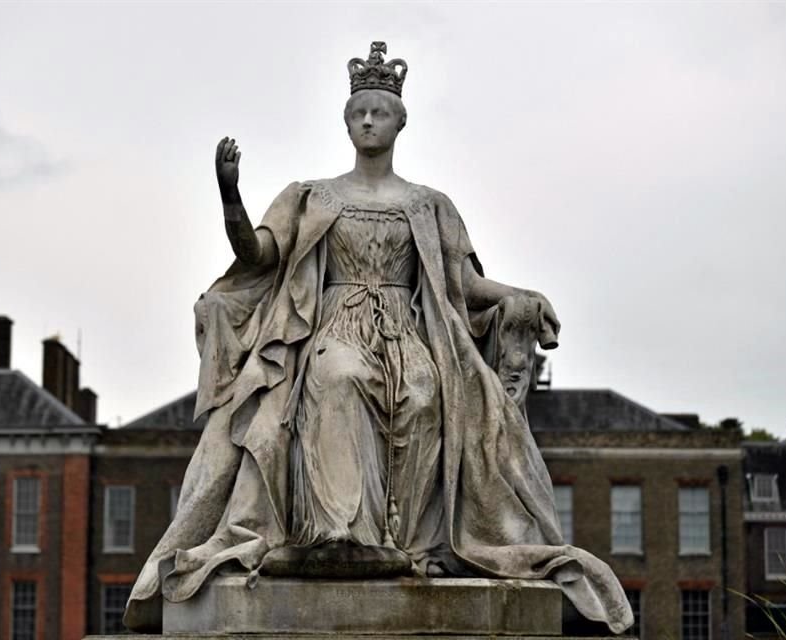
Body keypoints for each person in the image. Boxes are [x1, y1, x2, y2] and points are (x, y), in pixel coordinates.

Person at [124, 42, 632, 634]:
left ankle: (404, 544)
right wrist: (229, 193)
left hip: (407, 333)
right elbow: (257, 255)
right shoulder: (311, 196)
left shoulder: (428, 205)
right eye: (359, 112)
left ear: (399, 121)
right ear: (346, 122)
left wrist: (522, 296)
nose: (369, 120)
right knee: (338, 377)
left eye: (380, 112)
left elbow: (463, 283)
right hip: (332, 326)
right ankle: (338, 533)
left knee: (423, 394)